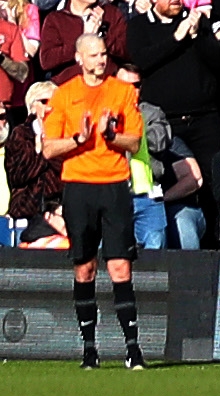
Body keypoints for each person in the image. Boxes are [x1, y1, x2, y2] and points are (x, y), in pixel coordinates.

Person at [40, 23, 151, 368]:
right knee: (84, 267)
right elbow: (47, 149)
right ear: (79, 58)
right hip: (78, 186)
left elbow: (134, 141)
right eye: (94, 55)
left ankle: (133, 350)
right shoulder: (64, 93)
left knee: (120, 266)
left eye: (104, 54)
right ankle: (90, 349)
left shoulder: (122, 92)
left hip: (114, 184)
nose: (101, 60)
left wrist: (111, 135)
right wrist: (79, 138)